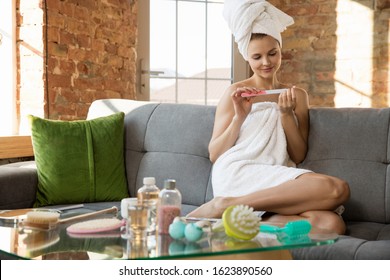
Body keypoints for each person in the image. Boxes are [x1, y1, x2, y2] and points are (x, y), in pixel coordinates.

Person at [188, 0, 350, 234]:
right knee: (338, 190)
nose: (266, 62)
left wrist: (285, 115)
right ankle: (224, 203)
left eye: (272, 53)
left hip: (276, 176)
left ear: (281, 50)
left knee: (332, 225)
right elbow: (215, 154)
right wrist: (239, 117)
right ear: (247, 57)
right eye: (257, 57)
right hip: (239, 172)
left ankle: (231, 218)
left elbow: (298, 154)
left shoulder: (298, 96)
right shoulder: (236, 93)